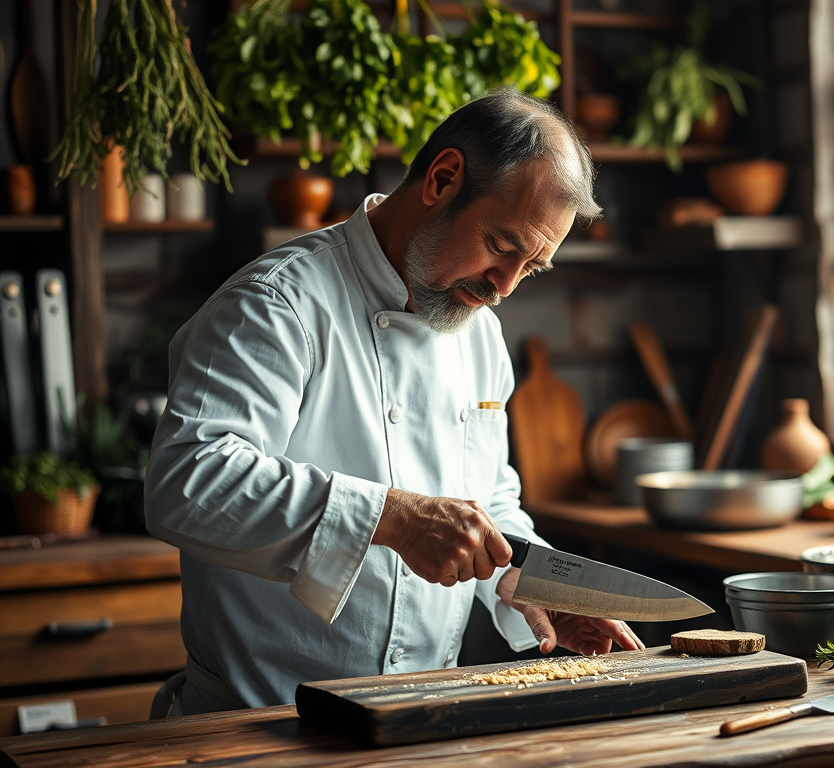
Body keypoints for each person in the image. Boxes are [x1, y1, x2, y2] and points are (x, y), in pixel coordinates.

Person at [145, 88, 643, 716]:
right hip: (260, 724)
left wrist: (522, 577)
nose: (505, 288)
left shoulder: (478, 331)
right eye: (501, 246)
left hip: (417, 720)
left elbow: (489, 498)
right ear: (442, 178)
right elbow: (187, 481)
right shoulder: (276, 306)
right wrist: (390, 518)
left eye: (532, 269)